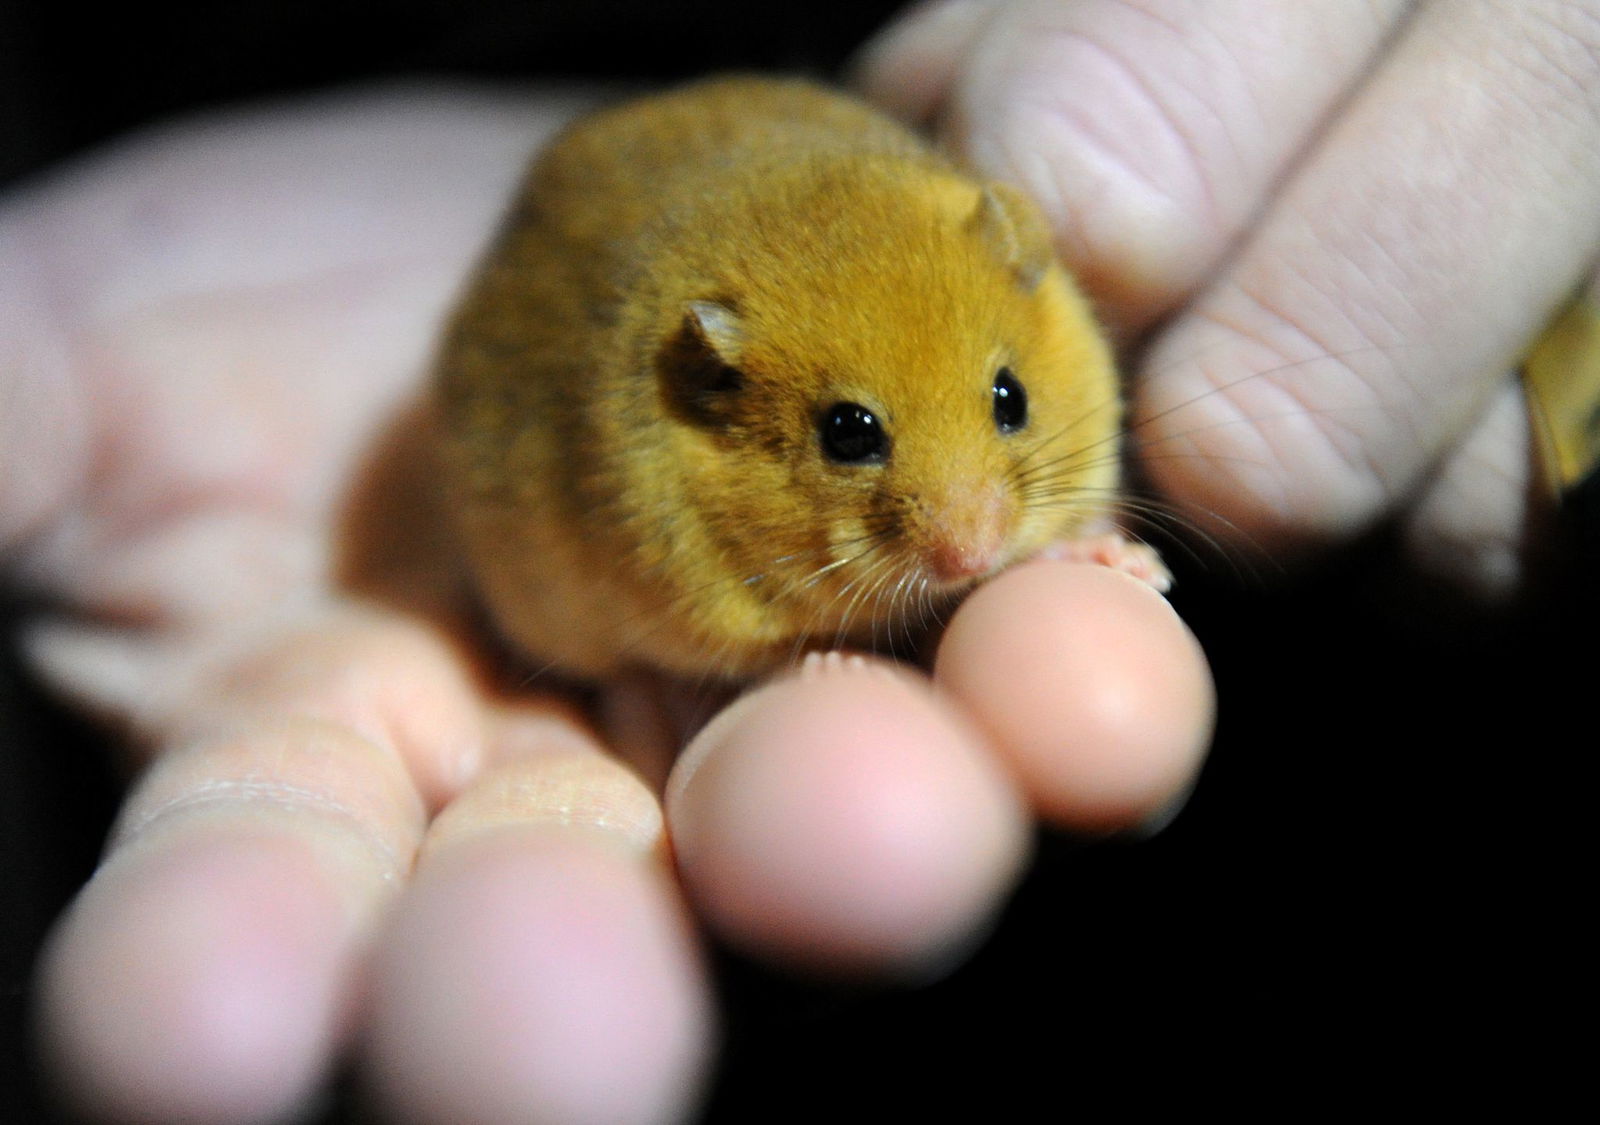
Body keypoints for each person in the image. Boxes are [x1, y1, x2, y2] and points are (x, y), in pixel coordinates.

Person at [6, 1, 1595, 1121]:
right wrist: (770, 640)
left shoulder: (1017, 275)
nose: (967, 527)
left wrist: (1084, 514)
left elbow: (1042, 421)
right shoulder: (660, 456)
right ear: (716, 392)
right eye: (850, 440)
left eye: (1000, 410)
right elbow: (680, 558)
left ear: (1025, 301)